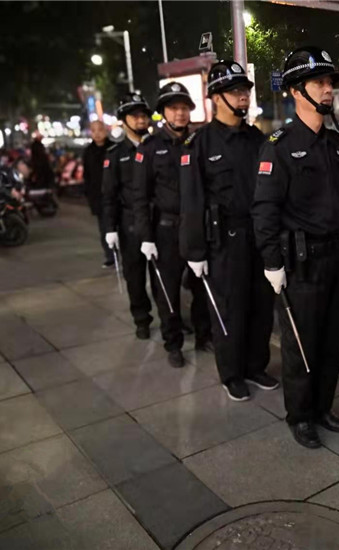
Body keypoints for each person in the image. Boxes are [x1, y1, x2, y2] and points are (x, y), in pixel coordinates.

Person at [252, 46, 339, 449]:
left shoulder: (336, 144)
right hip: (300, 263)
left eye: (330, 82)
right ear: (296, 91)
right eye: (319, 82)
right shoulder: (279, 146)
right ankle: (300, 415)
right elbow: (265, 209)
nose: (328, 89)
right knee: (301, 344)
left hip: (334, 258)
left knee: (332, 342)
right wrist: (272, 263)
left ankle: (323, 407)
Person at [180, 61, 278, 401]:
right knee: (230, 309)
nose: (243, 96)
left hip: (258, 236)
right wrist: (195, 251)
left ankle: (255, 365)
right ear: (216, 97)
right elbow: (191, 200)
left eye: (245, 90)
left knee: (261, 305)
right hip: (224, 241)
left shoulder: (257, 139)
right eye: (235, 91)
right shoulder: (199, 143)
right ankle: (232, 373)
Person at [132, 81, 212, 368]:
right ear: (163, 112)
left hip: (198, 228)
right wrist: (146, 236)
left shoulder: (200, 142)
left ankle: (204, 335)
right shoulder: (149, 148)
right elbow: (140, 196)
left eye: (184, 108)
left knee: (202, 286)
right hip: (165, 230)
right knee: (167, 291)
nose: (180, 113)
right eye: (173, 108)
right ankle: (173, 343)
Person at [101, 92, 155, 340]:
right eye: (135, 116)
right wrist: (110, 228)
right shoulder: (115, 154)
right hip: (130, 222)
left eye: (143, 115)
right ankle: (142, 318)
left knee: (162, 274)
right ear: (123, 120)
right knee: (135, 274)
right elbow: (109, 195)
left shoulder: (156, 147)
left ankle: (170, 318)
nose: (141, 120)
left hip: (156, 219)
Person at [82, 121, 114, 267]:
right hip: (98, 197)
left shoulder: (114, 149)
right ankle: (110, 257)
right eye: (93, 130)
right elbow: (87, 176)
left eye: (100, 130)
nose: (97, 133)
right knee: (104, 229)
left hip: (116, 195)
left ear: (105, 131)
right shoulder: (88, 152)